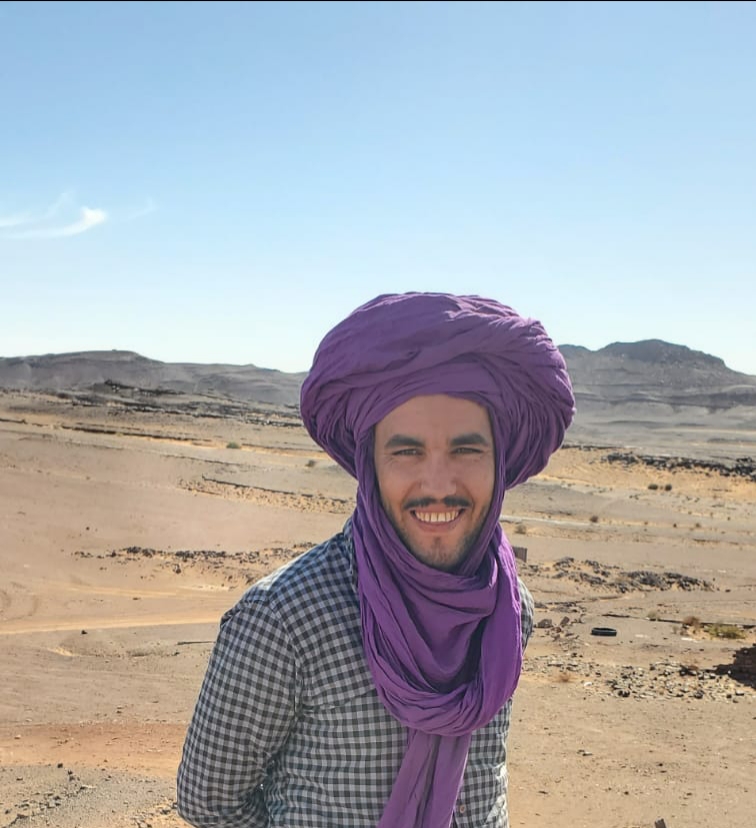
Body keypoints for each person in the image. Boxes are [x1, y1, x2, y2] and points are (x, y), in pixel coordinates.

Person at [176, 292, 575, 828]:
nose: (438, 484)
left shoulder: (509, 608)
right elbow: (210, 802)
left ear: (499, 463)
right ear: (370, 466)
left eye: (467, 450)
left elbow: (484, 786)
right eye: (407, 451)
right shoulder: (284, 621)